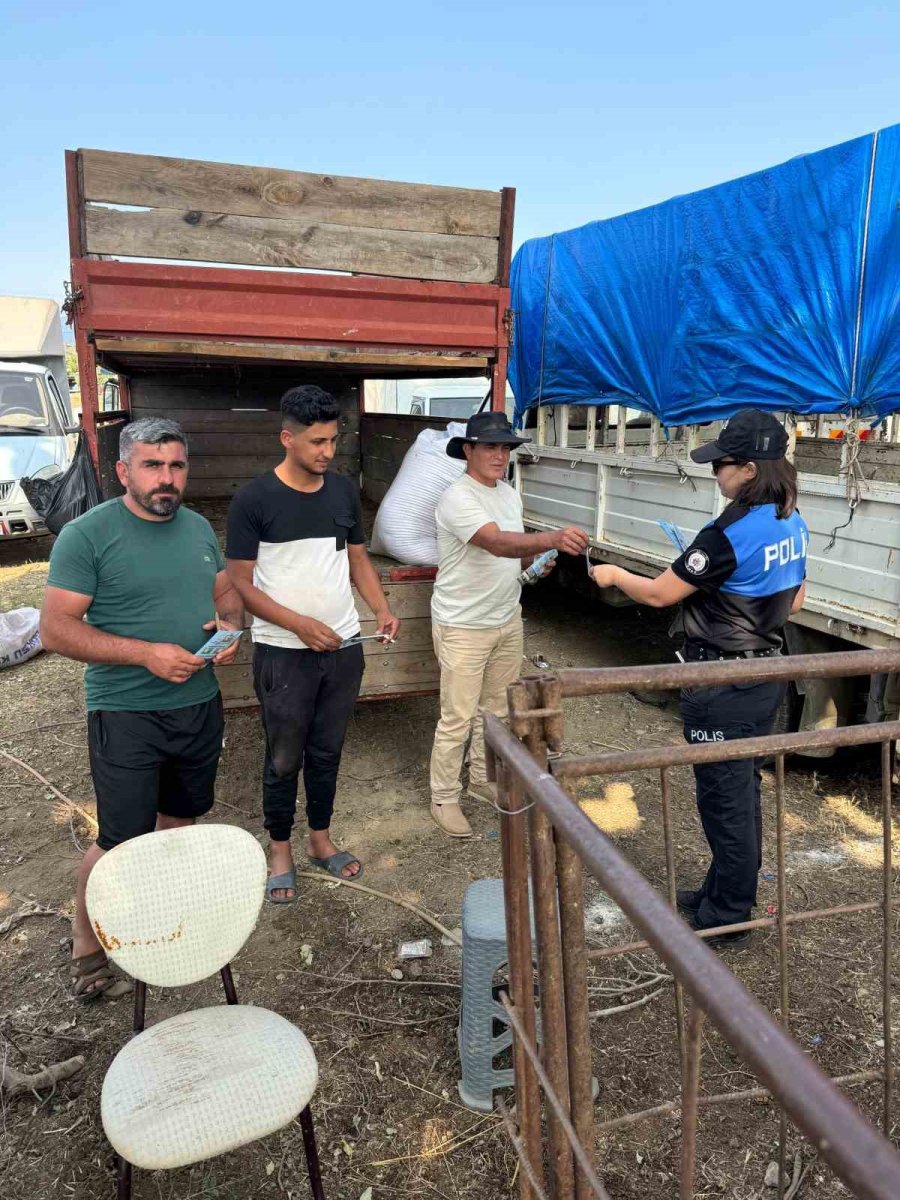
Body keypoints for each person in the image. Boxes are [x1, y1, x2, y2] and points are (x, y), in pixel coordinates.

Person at [40, 417, 244, 1000]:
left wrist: (227, 630)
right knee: (121, 841)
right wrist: (144, 654)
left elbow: (224, 594)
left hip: (197, 706)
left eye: (176, 465)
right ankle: (87, 943)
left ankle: (158, 925)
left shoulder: (199, 528)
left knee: (179, 825)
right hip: (126, 712)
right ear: (124, 471)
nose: (167, 478)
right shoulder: (87, 535)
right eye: (153, 466)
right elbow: (55, 630)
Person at [589, 409, 807, 947]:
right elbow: (797, 598)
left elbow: (662, 593)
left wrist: (614, 574)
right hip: (765, 674)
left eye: (722, 466)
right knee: (739, 791)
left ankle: (727, 916)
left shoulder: (729, 531)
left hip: (723, 683)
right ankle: (719, 892)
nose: (717, 475)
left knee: (724, 800)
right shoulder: (790, 519)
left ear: (748, 470)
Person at [226, 385, 400, 903]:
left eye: (333, 440)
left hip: (344, 648)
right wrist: (298, 625)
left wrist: (382, 608)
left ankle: (320, 839)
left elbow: (358, 561)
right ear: (287, 438)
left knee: (327, 750)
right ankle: (279, 848)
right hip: (283, 651)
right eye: (317, 442)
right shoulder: (254, 500)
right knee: (284, 756)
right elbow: (241, 584)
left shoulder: (343, 492)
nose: (328, 451)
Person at [429, 410, 589, 837]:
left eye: (505, 447)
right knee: (457, 717)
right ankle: (444, 795)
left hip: (505, 617)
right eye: (490, 447)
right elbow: (495, 542)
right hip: (463, 623)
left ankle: (482, 778)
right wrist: (551, 539)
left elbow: (513, 551)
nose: (500, 455)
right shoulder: (457, 497)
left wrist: (535, 563)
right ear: (468, 450)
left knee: (496, 711)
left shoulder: (508, 494)